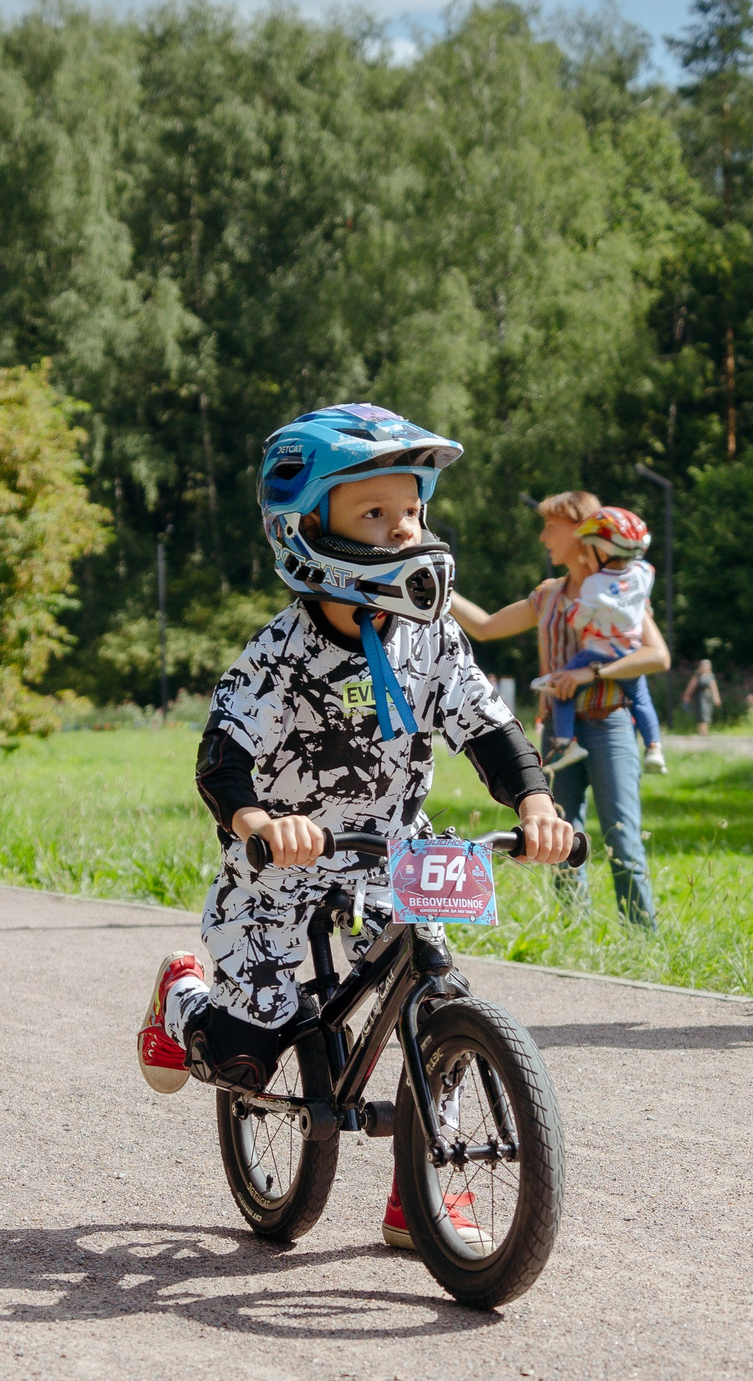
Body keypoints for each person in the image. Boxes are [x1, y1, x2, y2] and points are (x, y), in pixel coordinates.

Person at [130, 403, 572, 1254]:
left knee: (437, 991)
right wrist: (257, 817)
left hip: (395, 852)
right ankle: (182, 997)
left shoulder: (429, 639)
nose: (403, 530)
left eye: (411, 510)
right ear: (305, 530)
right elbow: (223, 754)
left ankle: (422, 1190)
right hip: (287, 858)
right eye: (375, 513)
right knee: (248, 1050)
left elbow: (485, 724)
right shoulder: (280, 654)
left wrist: (534, 802)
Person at [450, 490, 668, 925]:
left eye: (551, 526)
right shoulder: (548, 594)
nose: (543, 536)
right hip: (557, 732)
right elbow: (486, 626)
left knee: (622, 839)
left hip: (610, 725)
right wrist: (425, 578)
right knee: (560, 836)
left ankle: (642, 934)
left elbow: (656, 656)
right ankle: (575, 928)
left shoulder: (620, 589)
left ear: (582, 529)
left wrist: (592, 675)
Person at [533, 506, 666, 776]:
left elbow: (578, 619)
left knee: (561, 686)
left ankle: (565, 743)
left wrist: (572, 609)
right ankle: (654, 747)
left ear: (602, 553)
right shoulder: (643, 572)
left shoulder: (595, 584)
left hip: (598, 652)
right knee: (641, 699)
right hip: (629, 650)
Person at [681, 659, 721, 734]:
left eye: (707, 666)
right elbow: (691, 687)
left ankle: (704, 732)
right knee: (701, 715)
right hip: (699, 697)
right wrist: (686, 696)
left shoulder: (710, 676)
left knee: (707, 715)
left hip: (708, 698)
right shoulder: (697, 676)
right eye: (704, 666)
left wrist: (716, 698)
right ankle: (702, 733)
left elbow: (714, 688)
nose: (705, 668)